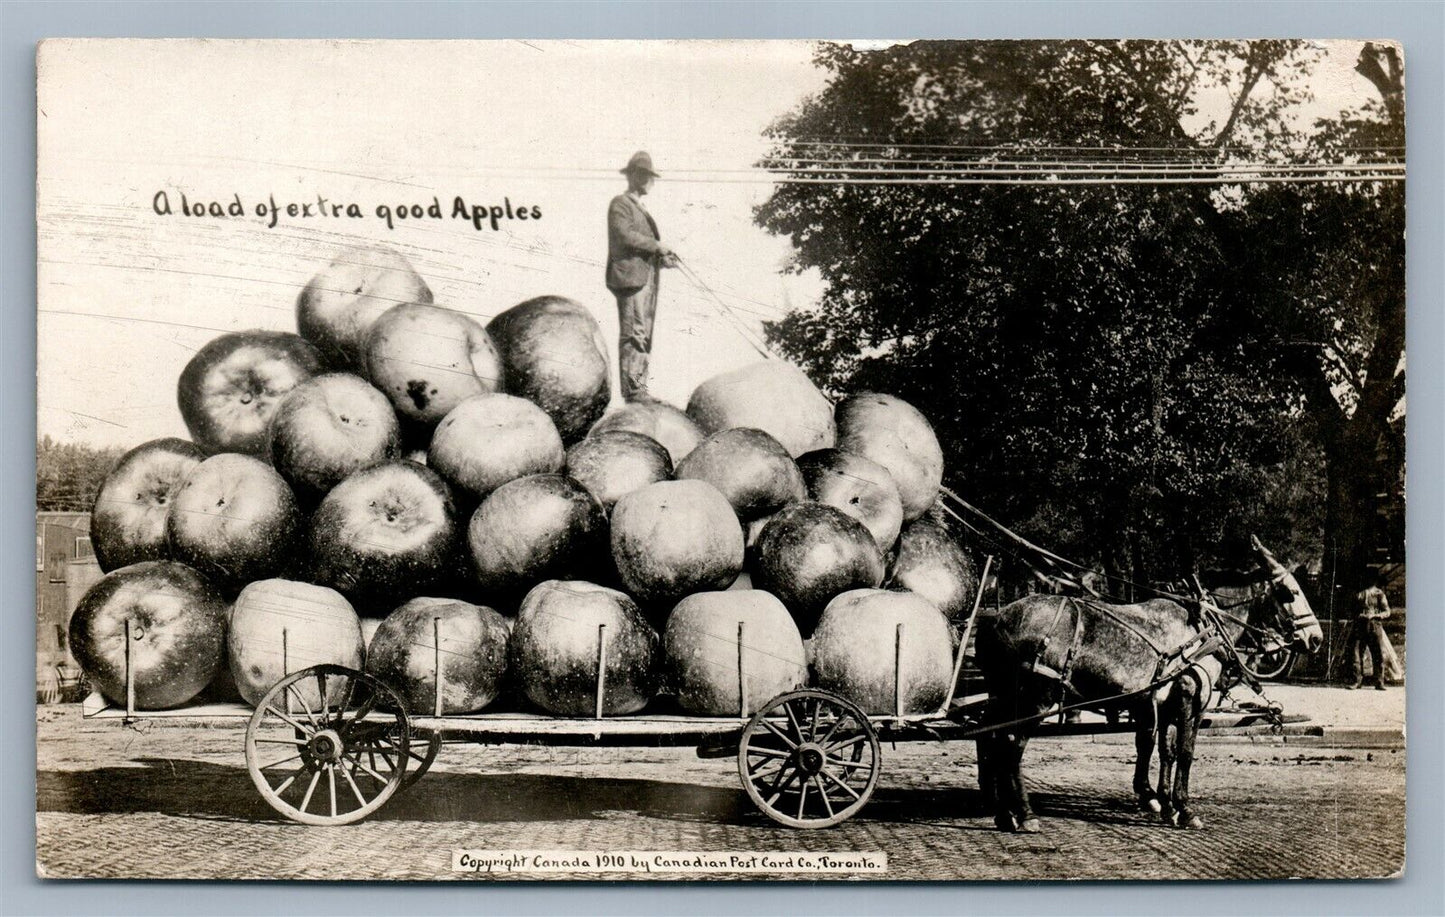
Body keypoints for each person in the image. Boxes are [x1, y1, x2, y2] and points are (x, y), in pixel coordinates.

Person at [605, 151, 678, 401]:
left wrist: (662, 259)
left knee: (643, 334)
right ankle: (634, 391)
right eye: (646, 175)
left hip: (645, 279)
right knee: (634, 333)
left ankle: (639, 386)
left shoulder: (639, 208)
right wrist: (656, 246)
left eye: (651, 176)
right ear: (634, 176)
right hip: (631, 280)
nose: (650, 181)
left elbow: (640, 246)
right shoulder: (620, 204)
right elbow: (624, 236)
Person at [1347, 576, 1392, 690]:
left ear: (1375, 580)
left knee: (1378, 654)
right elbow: (1351, 609)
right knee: (1356, 653)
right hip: (1360, 625)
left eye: (1371, 578)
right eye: (1367, 578)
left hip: (1374, 625)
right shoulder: (1358, 594)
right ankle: (1356, 681)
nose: (1369, 581)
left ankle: (1379, 682)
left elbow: (1387, 611)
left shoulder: (1379, 593)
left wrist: (1376, 615)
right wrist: (1357, 615)